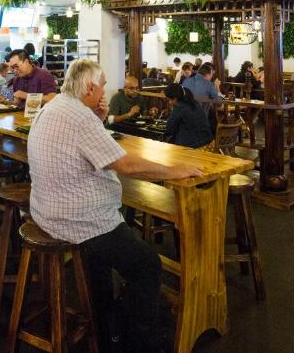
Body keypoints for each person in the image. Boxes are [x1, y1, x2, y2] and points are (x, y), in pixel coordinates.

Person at [27, 59, 202, 351]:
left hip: (46, 210)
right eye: (104, 84)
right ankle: (136, 340)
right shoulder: (80, 118)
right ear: (91, 87)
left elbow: (85, 148)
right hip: (79, 219)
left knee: (101, 259)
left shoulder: (55, 107)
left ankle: (105, 320)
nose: (106, 89)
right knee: (147, 265)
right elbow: (128, 165)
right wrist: (176, 169)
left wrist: (99, 117)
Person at [164, 84, 212, 148]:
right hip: (206, 143)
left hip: (191, 146)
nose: (169, 102)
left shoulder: (179, 107)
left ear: (175, 98)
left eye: (169, 100)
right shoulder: (195, 103)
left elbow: (169, 130)